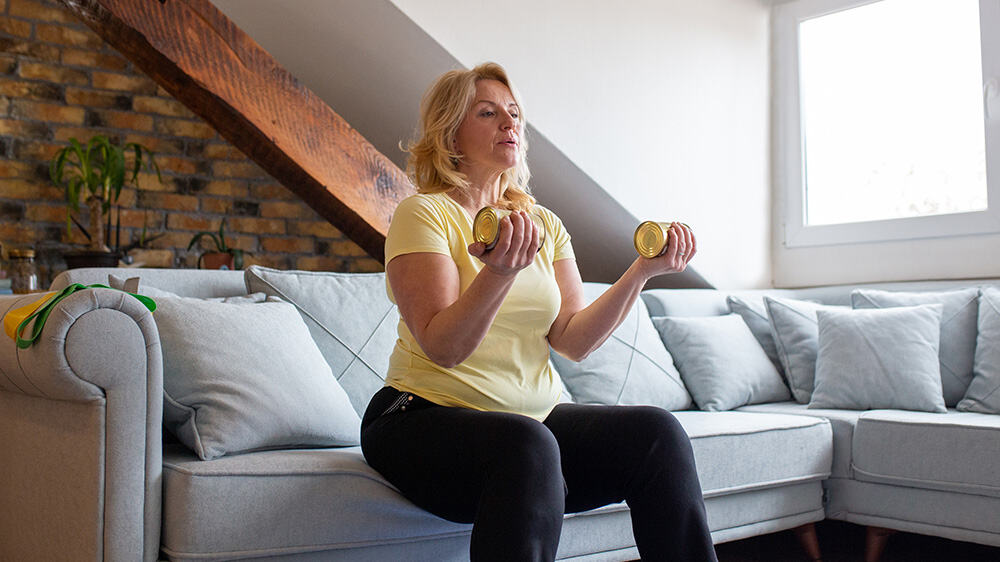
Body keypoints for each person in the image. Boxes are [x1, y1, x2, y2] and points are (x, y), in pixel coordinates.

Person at [361, 62, 717, 562]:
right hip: (420, 419)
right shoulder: (424, 214)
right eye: (488, 113)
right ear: (451, 134)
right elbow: (443, 347)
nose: (510, 123)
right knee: (527, 444)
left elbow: (572, 340)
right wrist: (499, 273)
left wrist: (640, 272)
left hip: (530, 426)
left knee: (658, 435)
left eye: (515, 114)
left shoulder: (542, 223)